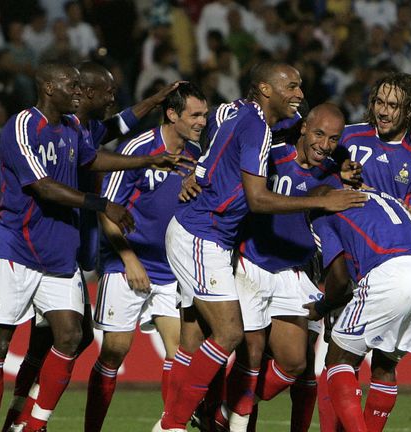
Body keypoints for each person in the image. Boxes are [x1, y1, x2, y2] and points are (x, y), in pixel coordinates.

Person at [0, 63, 192, 432]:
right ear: (47, 86)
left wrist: (147, 159)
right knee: (0, 342)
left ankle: (32, 422)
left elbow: (94, 155)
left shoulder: (75, 127)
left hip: (60, 254)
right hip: (18, 249)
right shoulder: (24, 125)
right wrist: (100, 202)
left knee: (73, 336)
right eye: (71, 84)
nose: (78, 91)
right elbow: (41, 186)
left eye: (79, 85)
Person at [154, 62, 367, 432]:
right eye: (293, 87)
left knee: (288, 359)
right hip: (208, 235)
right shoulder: (253, 125)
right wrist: (322, 201)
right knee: (222, 338)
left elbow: (218, 156)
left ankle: (208, 414)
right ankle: (175, 423)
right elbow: (256, 197)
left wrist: (340, 164)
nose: (300, 95)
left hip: (230, 245)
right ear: (266, 90)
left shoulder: (261, 124)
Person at [320, 71, 411, 431]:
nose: (383, 111)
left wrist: (375, 199)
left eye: (393, 105)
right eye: (379, 102)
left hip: (403, 254)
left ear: (409, 110)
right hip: (352, 256)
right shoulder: (349, 137)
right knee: (341, 353)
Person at [85, 83, 207, 432]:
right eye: (195, 114)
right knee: (114, 352)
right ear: (172, 114)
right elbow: (107, 211)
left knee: (180, 352)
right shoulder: (138, 148)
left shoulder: (195, 155)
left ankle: (170, 427)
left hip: (171, 269)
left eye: (204, 114)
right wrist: (129, 259)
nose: (202, 121)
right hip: (127, 264)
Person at [305, 187, 411, 431]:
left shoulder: (324, 209)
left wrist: (322, 307)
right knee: (385, 364)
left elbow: (338, 277)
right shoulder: (383, 195)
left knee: (338, 358)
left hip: (390, 273)